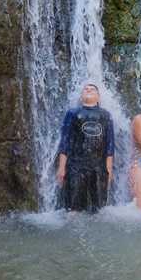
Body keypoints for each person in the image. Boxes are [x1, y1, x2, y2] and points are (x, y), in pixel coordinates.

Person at [55, 83, 115, 213]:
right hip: (76, 166)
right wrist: (61, 167)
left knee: (100, 209)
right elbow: (65, 141)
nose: (88, 90)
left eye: (92, 89)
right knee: (73, 208)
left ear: (98, 97)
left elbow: (110, 144)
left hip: (98, 167)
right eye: (85, 89)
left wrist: (109, 169)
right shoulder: (72, 113)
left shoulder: (105, 115)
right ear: (81, 97)